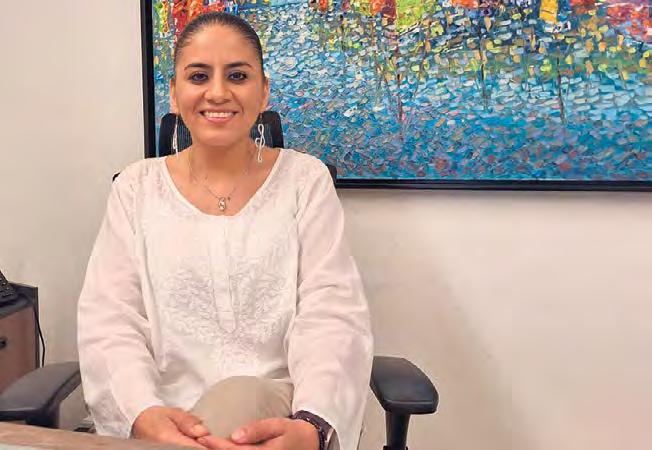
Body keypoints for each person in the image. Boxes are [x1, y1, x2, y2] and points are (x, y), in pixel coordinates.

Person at [77, 11, 373, 450]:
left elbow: (332, 314)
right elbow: (111, 321)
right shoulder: (135, 189)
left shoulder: (304, 181)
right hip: (162, 419)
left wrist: (313, 425)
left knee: (239, 396)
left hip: (279, 414)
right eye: (198, 76)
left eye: (237, 75)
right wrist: (142, 413)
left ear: (263, 91)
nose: (217, 92)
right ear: (174, 93)